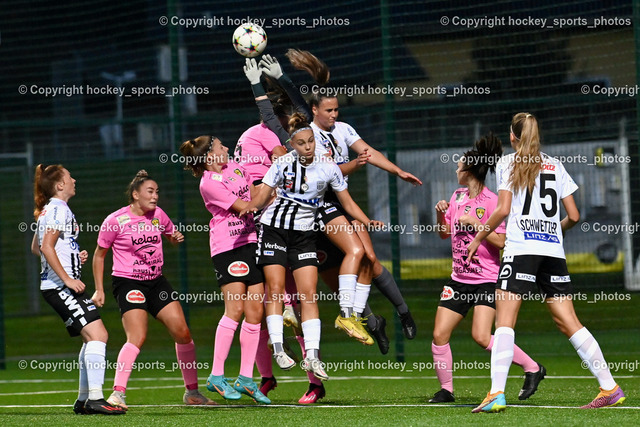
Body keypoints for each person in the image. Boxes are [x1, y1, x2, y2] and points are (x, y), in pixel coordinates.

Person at [468, 113, 626, 412]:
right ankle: (609, 387)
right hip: (552, 251)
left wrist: (478, 238)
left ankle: (495, 394)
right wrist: (554, 231)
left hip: (521, 250)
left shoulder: (507, 164)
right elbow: (575, 216)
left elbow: (502, 210)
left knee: (504, 321)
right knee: (568, 321)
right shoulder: (555, 164)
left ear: (514, 137)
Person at [240, 112, 382, 383]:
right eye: (301, 143)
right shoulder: (282, 164)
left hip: (304, 235)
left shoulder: (328, 167)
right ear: (292, 145)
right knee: (277, 290)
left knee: (309, 295)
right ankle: (279, 349)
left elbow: (347, 202)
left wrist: (366, 220)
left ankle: (313, 357)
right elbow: (264, 192)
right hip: (275, 231)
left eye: (310, 142)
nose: (307, 147)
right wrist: (250, 207)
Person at [430, 134, 544, 403]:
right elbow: (444, 234)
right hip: (459, 279)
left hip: (486, 279)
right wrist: (439, 214)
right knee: (439, 334)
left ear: (468, 171)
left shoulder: (493, 201)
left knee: (481, 337)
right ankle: (446, 391)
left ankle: (533, 367)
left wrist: (476, 224)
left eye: (458, 166)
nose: (456, 170)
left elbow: (502, 241)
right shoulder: (456, 197)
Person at [92, 170, 214, 410]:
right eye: (150, 191)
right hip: (128, 282)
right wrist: (99, 290)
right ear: (135, 194)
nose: (155, 196)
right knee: (137, 336)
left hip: (156, 282)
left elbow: (169, 234)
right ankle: (117, 394)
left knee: (183, 333)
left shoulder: (158, 215)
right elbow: (99, 255)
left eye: (157, 191)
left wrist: (174, 237)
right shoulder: (116, 220)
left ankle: (192, 392)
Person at [178, 135, 270, 404]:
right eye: (221, 147)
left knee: (255, 311)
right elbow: (247, 206)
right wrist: (273, 181)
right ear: (209, 157)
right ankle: (217, 375)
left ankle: (245, 378)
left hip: (251, 241)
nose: (227, 148)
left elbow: (255, 194)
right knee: (235, 309)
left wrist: (267, 187)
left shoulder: (237, 167)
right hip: (228, 247)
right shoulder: (209, 184)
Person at [32, 164, 125, 415]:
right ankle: (95, 399)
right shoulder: (58, 209)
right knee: (99, 335)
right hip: (61, 286)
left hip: (60, 284)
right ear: (60, 185)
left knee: (91, 337)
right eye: (69, 177)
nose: (74, 179)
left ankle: (85, 400)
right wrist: (68, 279)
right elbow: (47, 248)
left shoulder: (49, 210)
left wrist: (73, 256)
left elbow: (37, 248)